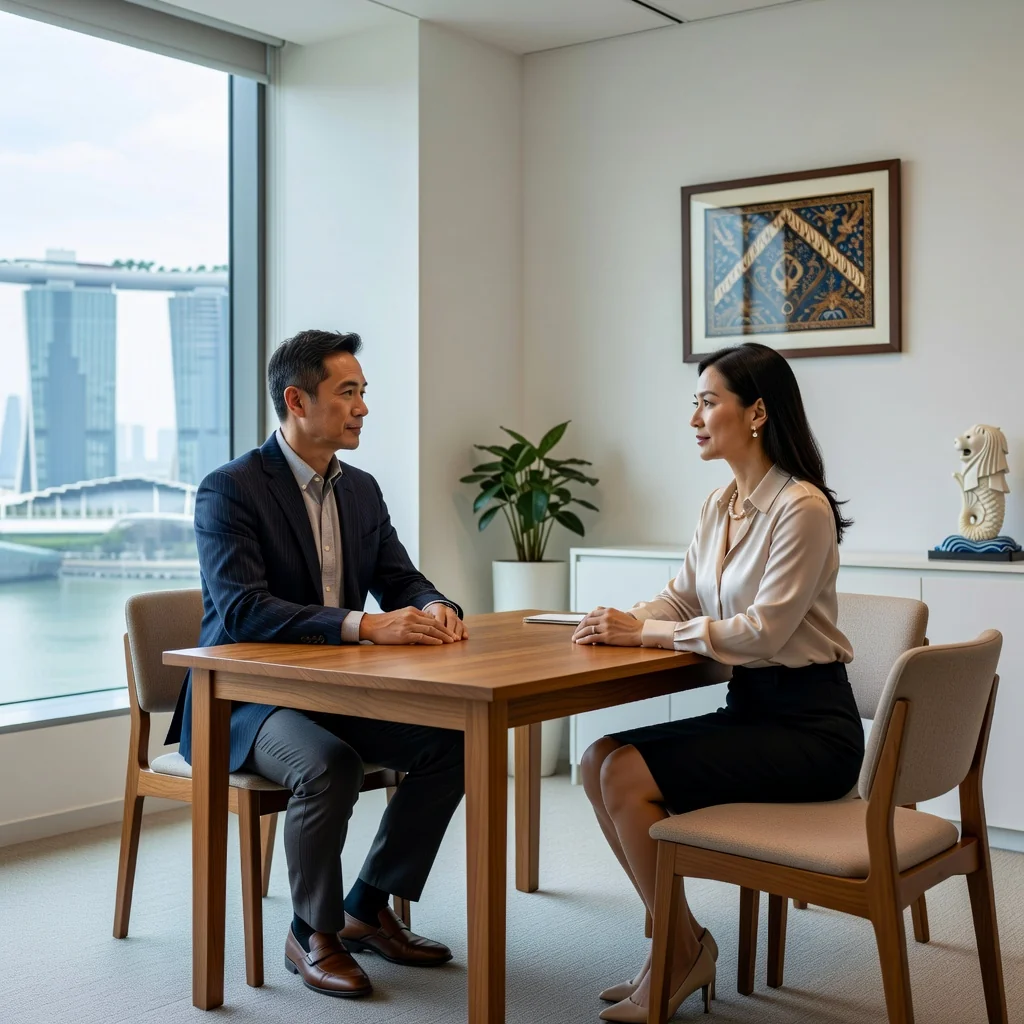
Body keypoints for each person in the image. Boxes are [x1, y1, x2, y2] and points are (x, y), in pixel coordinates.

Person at [166, 329, 469, 1000]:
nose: (362, 407)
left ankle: (364, 908)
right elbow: (245, 612)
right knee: (325, 765)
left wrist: (437, 605)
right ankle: (311, 933)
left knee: (454, 742)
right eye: (348, 393)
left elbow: (401, 579)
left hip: (336, 694)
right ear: (296, 399)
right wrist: (365, 626)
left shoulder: (360, 490)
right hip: (244, 702)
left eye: (363, 392)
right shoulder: (230, 490)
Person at [573, 342, 864, 1022]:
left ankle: (678, 952)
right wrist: (622, 619)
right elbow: (683, 599)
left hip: (811, 731)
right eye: (695, 404)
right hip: (752, 710)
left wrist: (641, 634)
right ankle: (680, 943)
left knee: (623, 775)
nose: (695, 417)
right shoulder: (719, 505)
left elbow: (763, 630)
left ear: (757, 412)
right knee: (595, 761)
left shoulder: (803, 508)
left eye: (709, 402)